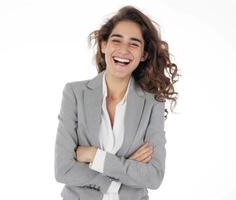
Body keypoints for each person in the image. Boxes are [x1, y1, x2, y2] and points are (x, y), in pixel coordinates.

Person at [54, 5, 179, 200]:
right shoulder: (75, 93)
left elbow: (154, 176)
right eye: (116, 40)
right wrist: (122, 172)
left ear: (144, 54)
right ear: (104, 45)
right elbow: (64, 169)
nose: (123, 50)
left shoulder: (153, 102)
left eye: (134, 43)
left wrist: (95, 156)